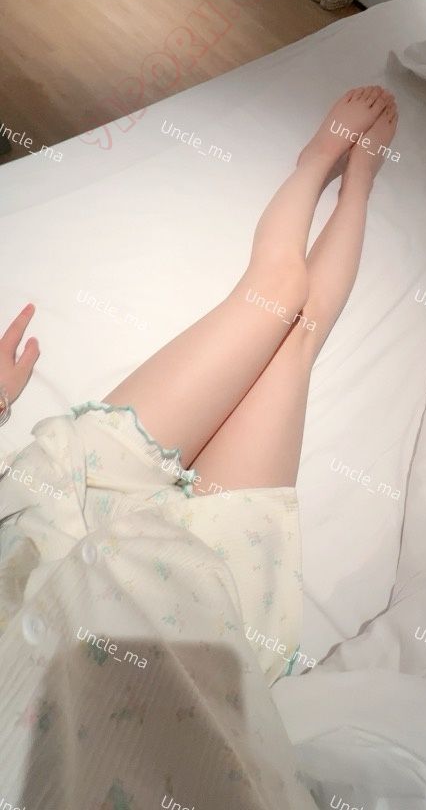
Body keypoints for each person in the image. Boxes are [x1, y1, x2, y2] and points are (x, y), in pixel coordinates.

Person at [0, 87, 397, 809]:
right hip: (202, 615)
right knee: (296, 335)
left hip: (59, 516)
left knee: (275, 290)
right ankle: (359, 181)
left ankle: (317, 163)